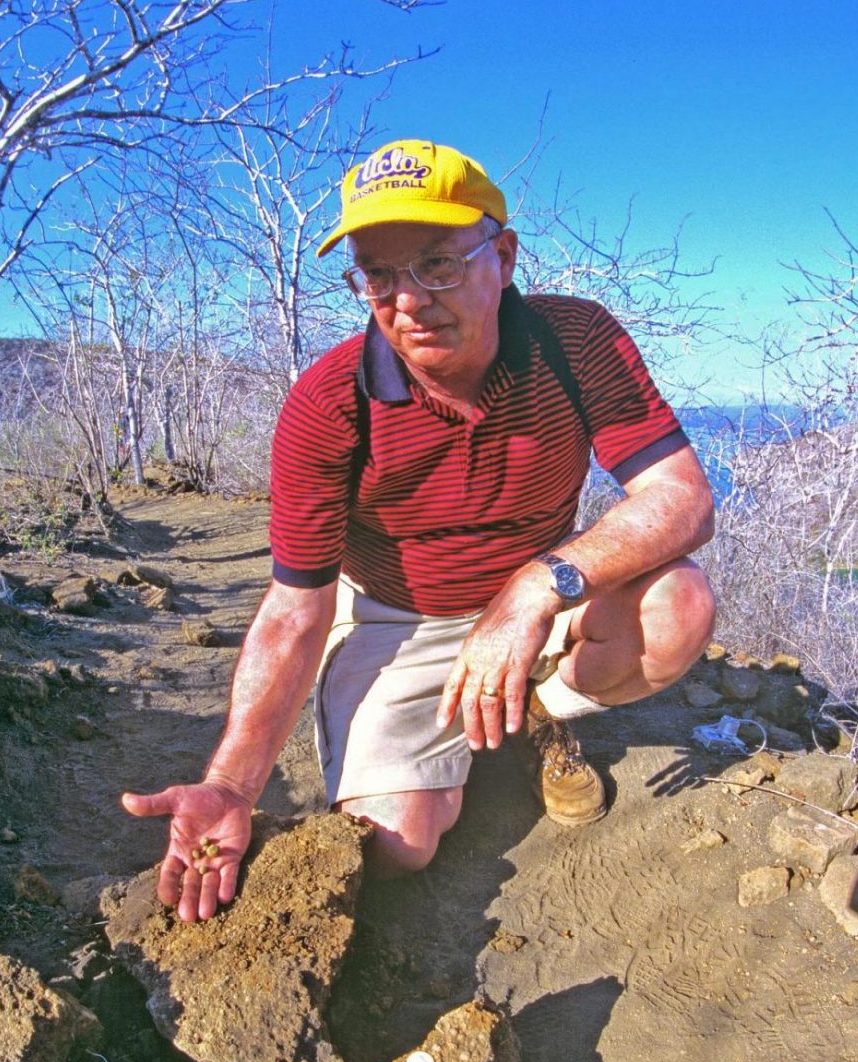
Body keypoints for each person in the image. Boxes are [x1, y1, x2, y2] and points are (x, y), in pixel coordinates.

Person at [123, 139, 716, 922]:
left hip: (534, 595)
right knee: (397, 845)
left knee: (679, 608)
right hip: (399, 614)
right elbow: (294, 608)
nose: (408, 300)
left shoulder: (577, 343)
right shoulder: (328, 404)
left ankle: (540, 709)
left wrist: (539, 587)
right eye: (379, 274)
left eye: (437, 263)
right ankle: (455, 728)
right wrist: (232, 783)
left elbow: (681, 497)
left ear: (501, 257)